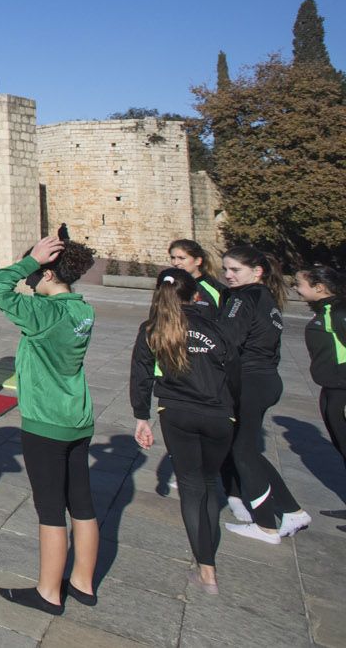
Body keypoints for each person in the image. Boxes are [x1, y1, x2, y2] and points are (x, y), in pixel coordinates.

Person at [0, 234, 98, 615]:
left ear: (47, 273)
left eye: (35, 276)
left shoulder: (44, 314)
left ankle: (49, 591)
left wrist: (27, 261)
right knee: (81, 503)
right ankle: (82, 581)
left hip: (46, 421)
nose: (30, 282)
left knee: (50, 508)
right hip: (77, 417)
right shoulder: (83, 311)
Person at [130, 268, 238, 595]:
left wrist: (141, 418)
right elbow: (234, 372)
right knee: (208, 483)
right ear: (196, 295)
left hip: (176, 412)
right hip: (219, 413)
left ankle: (207, 570)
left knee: (191, 487)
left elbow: (141, 376)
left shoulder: (152, 329)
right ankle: (207, 554)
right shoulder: (218, 327)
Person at [219, 245, 309, 541]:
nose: (228, 275)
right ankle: (292, 511)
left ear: (256, 271)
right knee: (246, 449)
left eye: (235, 270)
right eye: (226, 269)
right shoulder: (266, 297)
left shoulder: (244, 298)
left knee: (243, 451)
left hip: (250, 381)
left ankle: (266, 525)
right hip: (266, 379)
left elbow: (227, 341)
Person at [298, 267, 346, 475]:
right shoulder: (324, 311)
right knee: (341, 446)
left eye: (299, 284)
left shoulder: (338, 312)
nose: (296, 288)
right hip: (329, 388)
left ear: (319, 287)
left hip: (342, 390)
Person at [168, 239, 225, 308]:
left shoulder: (215, 290)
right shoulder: (168, 285)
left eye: (181, 258)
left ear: (198, 261)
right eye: (173, 258)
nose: (175, 263)